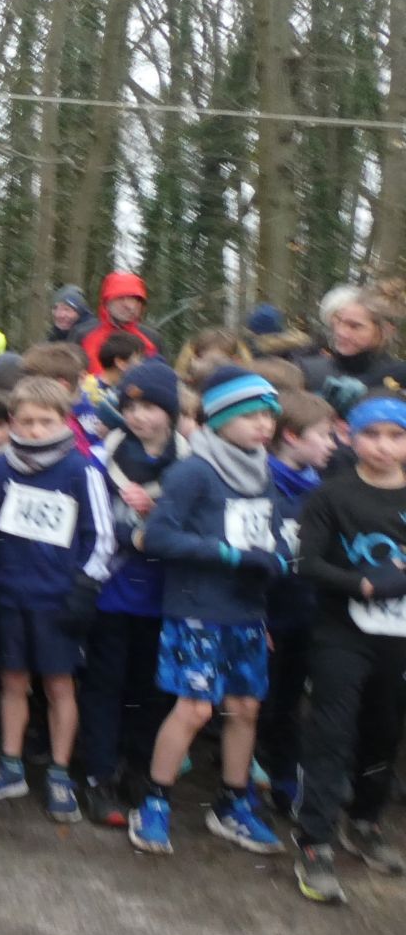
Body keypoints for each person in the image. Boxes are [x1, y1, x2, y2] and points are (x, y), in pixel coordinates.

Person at [128, 367, 291, 857]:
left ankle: (232, 804)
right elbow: (158, 536)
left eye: (269, 416)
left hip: (247, 611)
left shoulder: (263, 469)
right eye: (252, 415)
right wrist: (229, 555)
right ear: (220, 419)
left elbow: (273, 535)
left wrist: (279, 558)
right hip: (197, 609)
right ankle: (154, 802)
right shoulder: (194, 471)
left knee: (245, 708)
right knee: (195, 708)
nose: (264, 425)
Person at [0, 378, 114, 822]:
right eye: (27, 421)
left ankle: (60, 772)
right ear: (13, 420)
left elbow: (101, 537)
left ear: (64, 421)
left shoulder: (82, 470)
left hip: (58, 600)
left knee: (59, 686)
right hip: (10, 596)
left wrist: (84, 588)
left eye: (45, 421)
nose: (34, 430)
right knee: (13, 681)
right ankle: (11, 766)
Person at [290, 394, 406, 904]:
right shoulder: (332, 496)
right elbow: (307, 563)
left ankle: (364, 822)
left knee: (384, 732)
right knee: (331, 732)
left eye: (396, 436)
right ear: (350, 438)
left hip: (398, 637)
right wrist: (363, 583)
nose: (384, 446)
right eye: (372, 435)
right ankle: (314, 842)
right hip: (341, 631)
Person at [73, 359, 183, 828]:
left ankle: (137, 768)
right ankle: (97, 774)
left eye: (150, 407)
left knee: (150, 688)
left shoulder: (191, 464)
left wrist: (157, 511)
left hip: (165, 595)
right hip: (112, 591)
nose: (139, 416)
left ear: (170, 411)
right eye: (131, 407)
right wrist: (132, 531)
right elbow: (87, 519)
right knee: (104, 684)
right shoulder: (102, 458)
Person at [258, 390, 335, 814]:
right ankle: (245, 778)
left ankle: (284, 777)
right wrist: (257, 615)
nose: (332, 444)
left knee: (288, 703)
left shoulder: (321, 491)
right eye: (324, 435)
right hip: (266, 614)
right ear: (291, 436)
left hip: (306, 613)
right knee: (258, 702)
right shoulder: (260, 483)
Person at [78, 271, 165, 375]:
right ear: (107, 302)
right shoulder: (83, 334)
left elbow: (162, 376)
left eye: (135, 300)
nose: (130, 306)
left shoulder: (152, 338)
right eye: (121, 298)